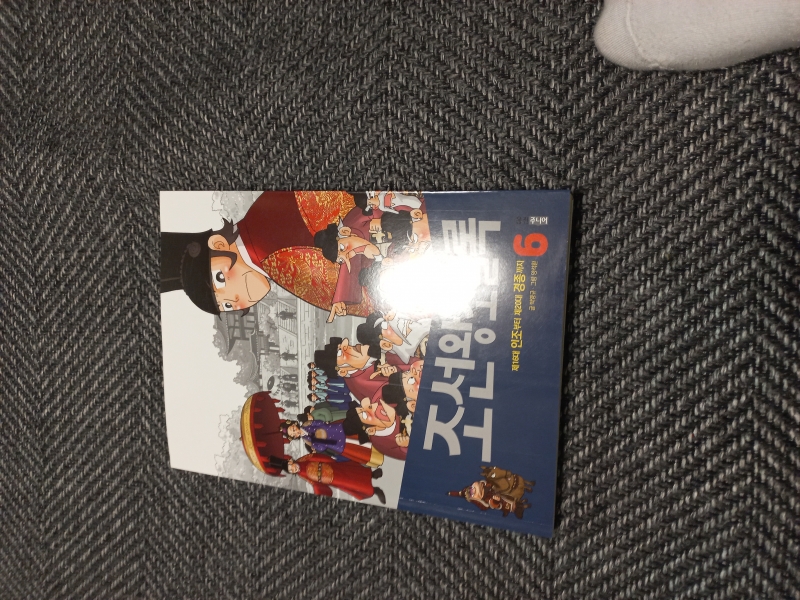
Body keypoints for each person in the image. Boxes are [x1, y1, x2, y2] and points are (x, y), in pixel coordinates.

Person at [160, 190, 373, 316]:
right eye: (228, 305)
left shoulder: (276, 261)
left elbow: (363, 300)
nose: (236, 298)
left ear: (218, 243)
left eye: (221, 279)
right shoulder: (262, 207)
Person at [314, 337, 413, 402]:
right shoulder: (361, 382)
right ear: (343, 371)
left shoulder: (365, 360)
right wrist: (395, 372)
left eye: (345, 346)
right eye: (342, 353)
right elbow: (399, 394)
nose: (350, 347)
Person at [268, 455, 385, 504]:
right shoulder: (301, 475)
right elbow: (314, 483)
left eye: (291, 466)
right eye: (291, 470)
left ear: (291, 461)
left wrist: (330, 460)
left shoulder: (304, 459)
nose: (293, 469)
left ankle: (372, 474)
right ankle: (374, 490)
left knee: (352, 472)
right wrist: (319, 491)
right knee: (351, 484)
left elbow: (317, 457)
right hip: (331, 479)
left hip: (332, 467)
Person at [281, 419, 383, 468]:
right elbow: (320, 448)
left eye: (293, 430)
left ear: (295, 425)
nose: (296, 433)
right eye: (293, 434)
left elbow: (320, 423)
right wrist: (318, 441)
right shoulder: (306, 440)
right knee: (354, 450)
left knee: (356, 437)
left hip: (334, 430)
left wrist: (319, 434)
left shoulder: (306, 424)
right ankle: (376, 456)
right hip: (333, 444)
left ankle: (380, 442)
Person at [342, 396, 409, 461]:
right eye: (366, 415)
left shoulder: (382, 399)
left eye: (369, 406)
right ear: (371, 430)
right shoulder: (382, 443)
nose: (374, 407)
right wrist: (405, 445)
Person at [356, 311, 430, 364]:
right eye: (384, 325)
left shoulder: (427, 323)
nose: (392, 319)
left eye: (387, 317)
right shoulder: (427, 355)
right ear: (386, 345)